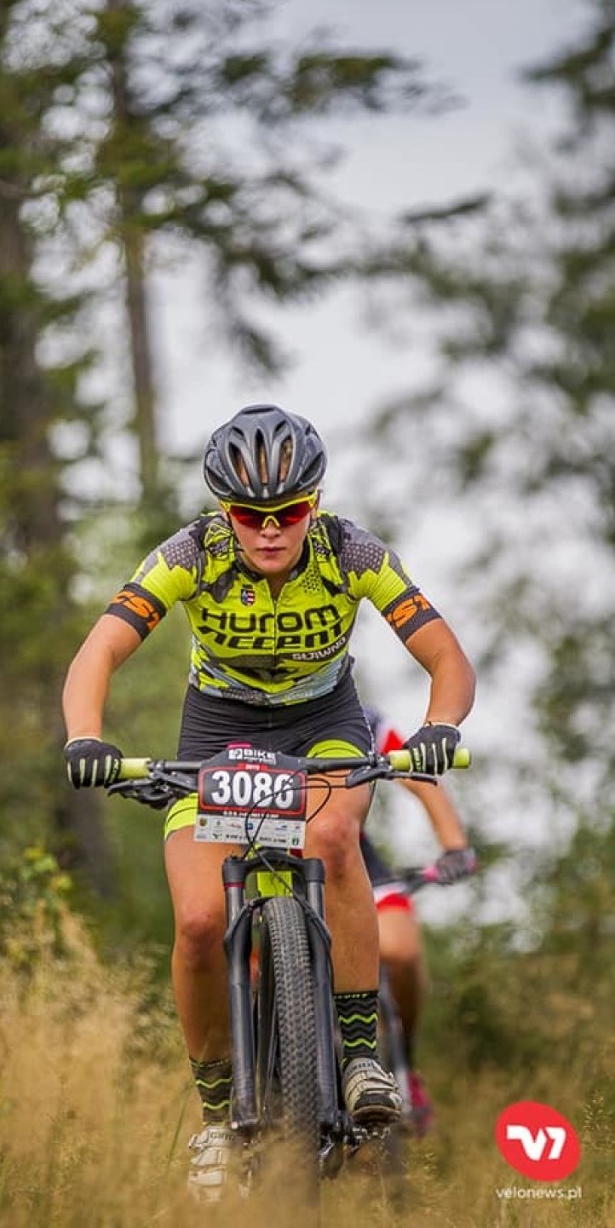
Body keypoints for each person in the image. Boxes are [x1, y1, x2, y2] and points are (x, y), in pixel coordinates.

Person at [61, 404, 476, 1201]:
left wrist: (439, 725)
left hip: (324, 726)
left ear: (312, 505)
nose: (269, 530)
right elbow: (101, 648)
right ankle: (217, 1119)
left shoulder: (353, 552)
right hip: (218, 734)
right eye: (251, 516)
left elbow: (445, 655)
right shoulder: (190, 553)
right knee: (196, 922)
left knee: (330, 838)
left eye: (288, 512)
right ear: (226, 513)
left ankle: (359, 1054)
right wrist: (86, 736)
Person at [361, 704, 477, 1137]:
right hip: (265, 868)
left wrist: (454, 847)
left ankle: (403, 1062)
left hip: (356, 866)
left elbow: (418, 778)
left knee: (401, 951)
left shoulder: (361, 719)